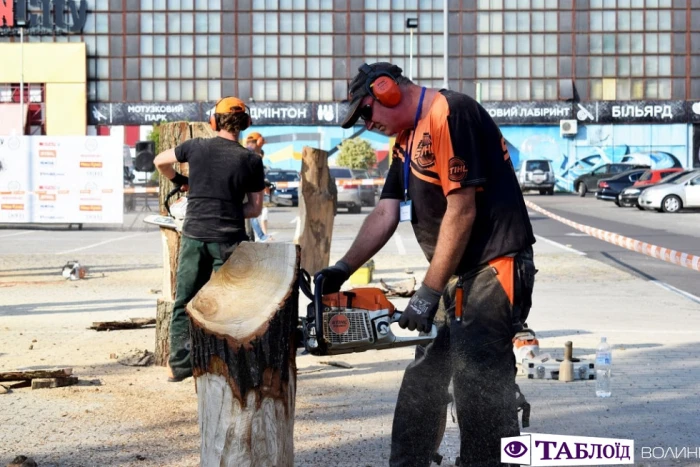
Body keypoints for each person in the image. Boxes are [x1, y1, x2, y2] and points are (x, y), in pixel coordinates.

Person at [317, 62, 537, 466]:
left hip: (494, 264)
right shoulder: (404, 139)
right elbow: (386, 211)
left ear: (386, 90)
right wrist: (341, 269)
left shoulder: (450, 113)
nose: (367, 124)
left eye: (366, 112)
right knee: (425, 376)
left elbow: (463, 210)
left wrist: (427, 292)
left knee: (479, 387)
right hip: (453, 272)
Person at [154, 96, 265, 382]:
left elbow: (159, 162)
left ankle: (178, 366)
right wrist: (227, 208)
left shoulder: (196, 147)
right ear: (246, 124)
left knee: (185, 301)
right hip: (229, 240)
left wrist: (180, 181)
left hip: (194, 237)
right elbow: (254, 209)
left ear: (214, 121)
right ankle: (228, 366)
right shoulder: (251, 159)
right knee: (230, 305)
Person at [245, 132, 272, 242]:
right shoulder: (253, 157)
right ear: (259, 142)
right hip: (246, 193)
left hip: (242, 193)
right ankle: (260, 236)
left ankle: (253, 237)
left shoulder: (244, 153)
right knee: (252, 214)